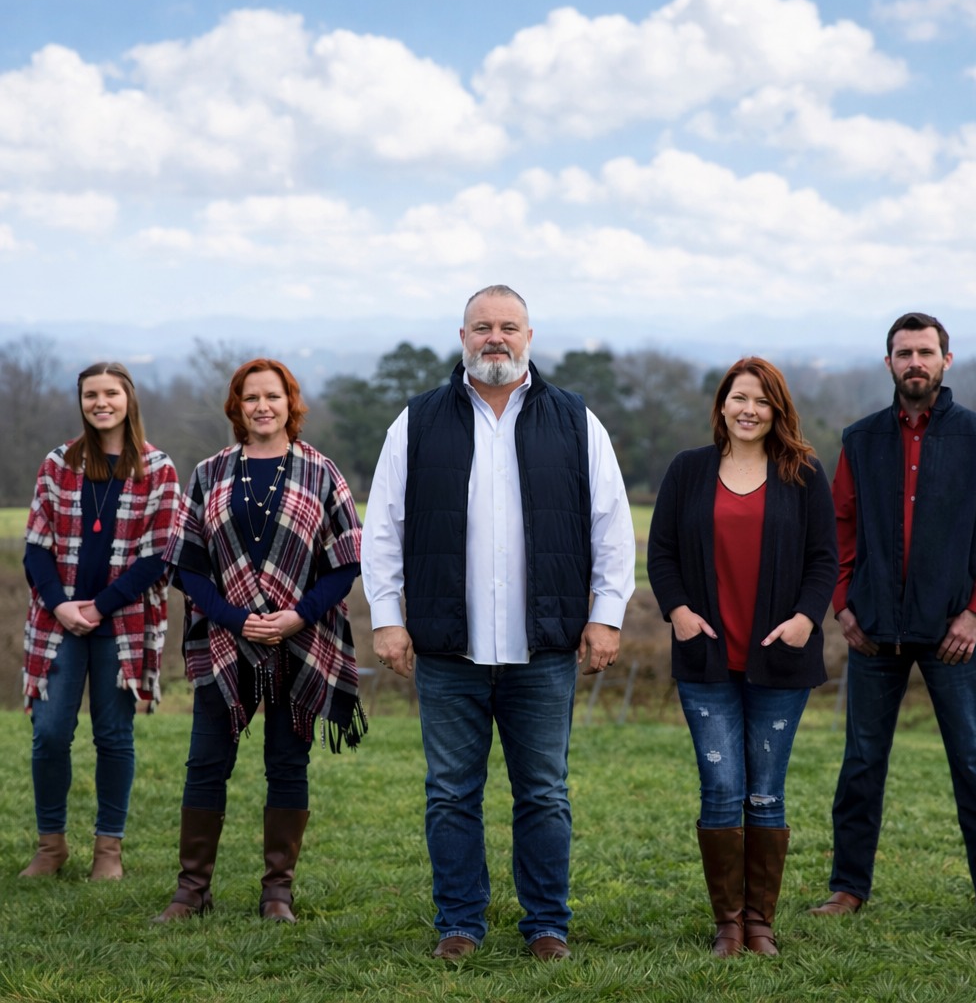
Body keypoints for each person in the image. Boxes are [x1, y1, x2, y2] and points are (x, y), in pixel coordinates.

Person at [362, 284, 635, 961]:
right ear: (462, 338)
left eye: (508, 326)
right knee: (451, 794)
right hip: (448, 647)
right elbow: (383, 529)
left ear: (529, 338)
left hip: (541, 646)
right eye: (482, 326)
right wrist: (387, 618)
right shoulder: (418, 421)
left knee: (543, 793)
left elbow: (612, 525)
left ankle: (546, 926)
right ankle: (459, 924)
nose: (495, 337)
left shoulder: (575, 419)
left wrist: (606, 616)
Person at [810, 313, 976, 934]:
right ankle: (848, 887)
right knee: (861, 765)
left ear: (945, 361)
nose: (915, 362)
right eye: (903, 353)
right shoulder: (860, 439)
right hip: (873, 629)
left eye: (925, 352)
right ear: (889, 364)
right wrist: (844, 604)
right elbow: (839, 529)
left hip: (954, 634)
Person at [153, 358, 364, 925]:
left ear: (290, 403)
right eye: (251, 398)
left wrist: (297, 615)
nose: (262, 406)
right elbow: (188, 565)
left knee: (287, 765)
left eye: (273, 396)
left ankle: (278, 894)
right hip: (226, 641)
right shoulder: (210, 473)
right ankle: (191, 890)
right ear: (236, 407)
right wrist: (230, 616)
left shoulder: (322, 473)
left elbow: (346, 562)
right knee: (205, 764)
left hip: (299, 640)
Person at [647, 357, 838, 957]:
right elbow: (663, 553)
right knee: (722, 789)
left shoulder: (803, 474)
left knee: (766, 792)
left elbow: (825, 559)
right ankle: (728, 922)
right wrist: (678, 612)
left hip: (780, 661)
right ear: (722, 405)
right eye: (739, 398)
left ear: (777, 411)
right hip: (707, 659)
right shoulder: (688, 471)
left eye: (762, 401)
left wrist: (806, 619)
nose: (749, 410)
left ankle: (760, 922)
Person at [20, 362, 180, 880]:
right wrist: (62, 604)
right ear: (82, 401)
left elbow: (159, 556)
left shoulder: (157, 469)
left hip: (124, 623)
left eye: (111, 393)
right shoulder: (58, 464)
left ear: (128, 398)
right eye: (91, 394)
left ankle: (108, 850)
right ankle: (51, 845)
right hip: (57, 621)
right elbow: (36, 548)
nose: (100, 402)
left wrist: (101, 605)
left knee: (113, 736)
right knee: (49, 734)